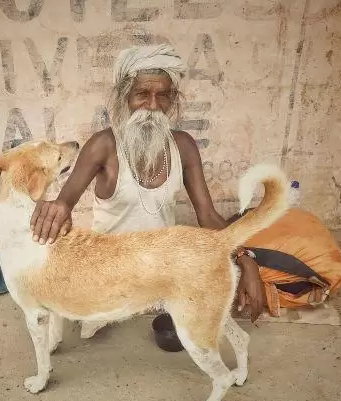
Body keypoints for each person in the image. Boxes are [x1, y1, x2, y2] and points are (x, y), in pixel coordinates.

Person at [29, 44, 266, 338]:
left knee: (217, 292)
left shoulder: (183, 146)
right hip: (110, 270)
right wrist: (57, 208)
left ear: (172, 100)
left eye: (162, 96)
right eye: (142, 94)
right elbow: (64, 202)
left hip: (161, 269)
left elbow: (207, 214)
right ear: (124, 98)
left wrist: (245, 257)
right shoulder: (104, 145)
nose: (153, 106)